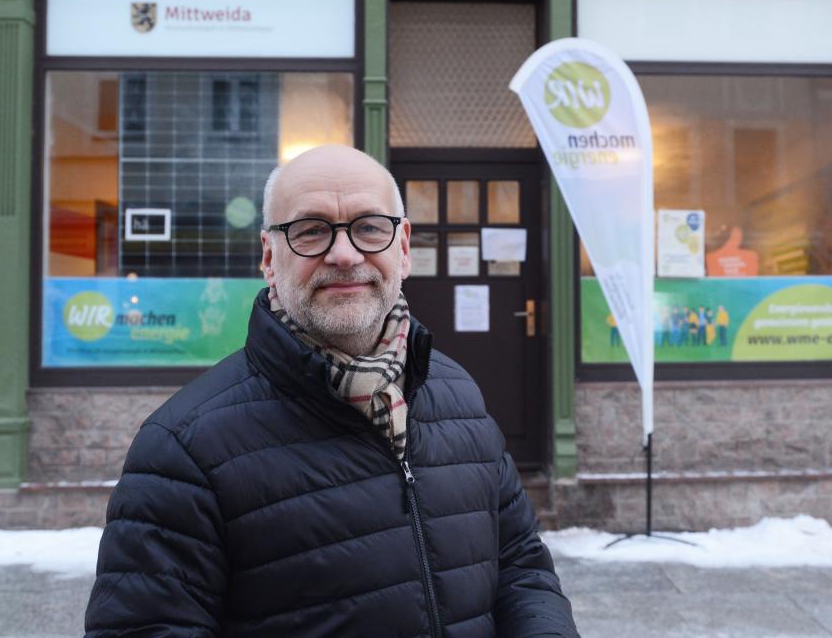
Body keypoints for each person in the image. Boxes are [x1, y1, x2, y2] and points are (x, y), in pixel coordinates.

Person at [84, 145, 578, 638]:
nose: (344, 253)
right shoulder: (182, 449)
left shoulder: (457, 395)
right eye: (311, 230)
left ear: (402, 247)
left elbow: (520, 566)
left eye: (369, 226)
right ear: (269, 257)